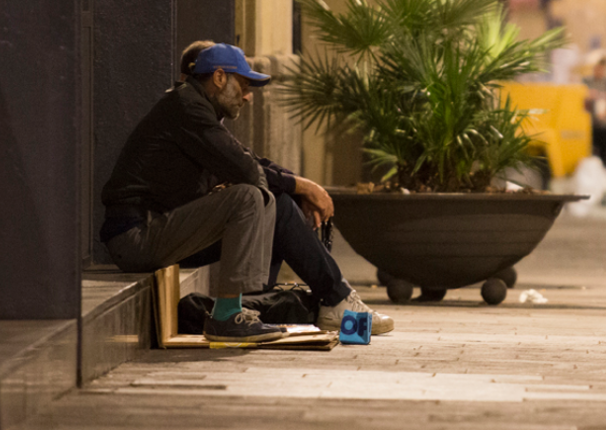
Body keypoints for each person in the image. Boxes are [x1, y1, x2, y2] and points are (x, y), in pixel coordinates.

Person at [100, 42, 393, 343]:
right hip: (137, 237)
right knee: (250, 197)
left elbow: (250, 160)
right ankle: (230, 316)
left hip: (162, 230)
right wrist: (303, 187)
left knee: (276, 203)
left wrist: (298, 185)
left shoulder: (198, 109)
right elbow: (248, 172)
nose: (248, 96)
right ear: (218, 78)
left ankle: (330, 299)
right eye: (243, 84)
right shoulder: (186, 108)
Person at [582, 55, 606, 169]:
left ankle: (605, 178)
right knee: (590, 155)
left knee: (605, 156)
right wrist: (590, 96)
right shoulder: (586, 82)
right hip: (591, 125)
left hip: (605, 125)